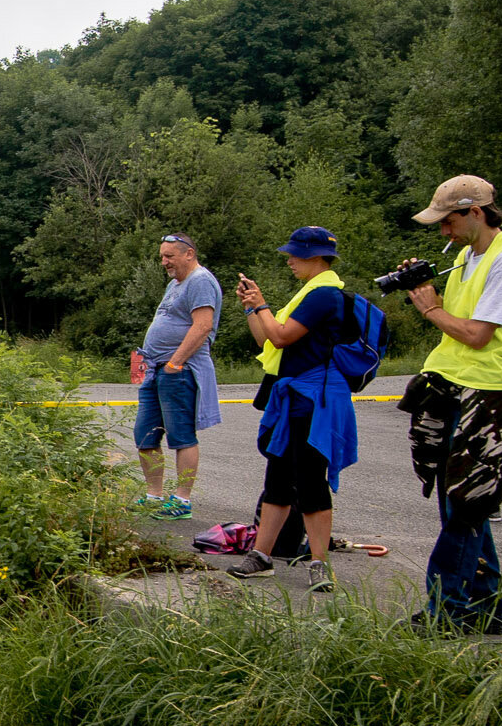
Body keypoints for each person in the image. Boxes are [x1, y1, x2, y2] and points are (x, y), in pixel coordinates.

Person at [397, 175, 502, 635]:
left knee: (466, 505)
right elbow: (460, 324)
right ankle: (488, 609)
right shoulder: (466, 255)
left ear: (476, 212)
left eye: (449, 221)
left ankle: (447, 612)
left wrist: (430, 310)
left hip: (492, 390)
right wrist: (428, 291)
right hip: (454, 384)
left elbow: (479, 335)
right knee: (460, 502)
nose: (443, 232)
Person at [228, 226, 358, 595]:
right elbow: (266, 337)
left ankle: (320, 564)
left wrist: (263, 304)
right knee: (279, 477)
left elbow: (282, 336)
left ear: (317, 257)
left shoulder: (324, 295)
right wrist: (253, 305)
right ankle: (261, 556)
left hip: (315, 399)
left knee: (312, 481)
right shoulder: (308, 292)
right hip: (292, 395)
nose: (288, 260)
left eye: (295, 255)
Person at [132, 233, 222, 522]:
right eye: (162, 256)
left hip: (180, 370)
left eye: (169, 255)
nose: (164, 261)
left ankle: (181, 499)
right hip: (156, 368)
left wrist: (175, 363)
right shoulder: (175, 284)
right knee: (145, 434)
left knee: (181, 435)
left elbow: (203, 325)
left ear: (189, 254)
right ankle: (153, 496)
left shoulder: (201, 281)